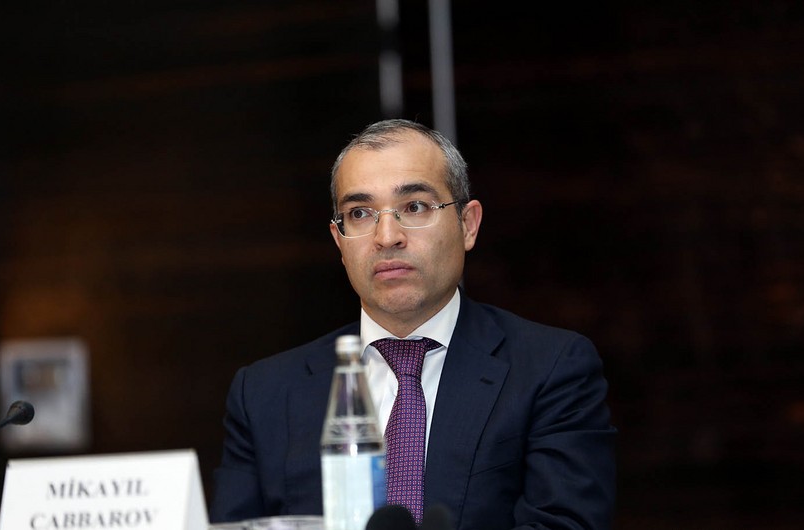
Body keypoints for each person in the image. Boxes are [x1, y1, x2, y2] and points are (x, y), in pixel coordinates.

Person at [210, 119, 616, 530]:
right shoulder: (264, 393)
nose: (387, 236)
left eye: (415, 207)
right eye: (360, 213)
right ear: (339, 241)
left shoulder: (549, 369)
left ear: (468, 224)